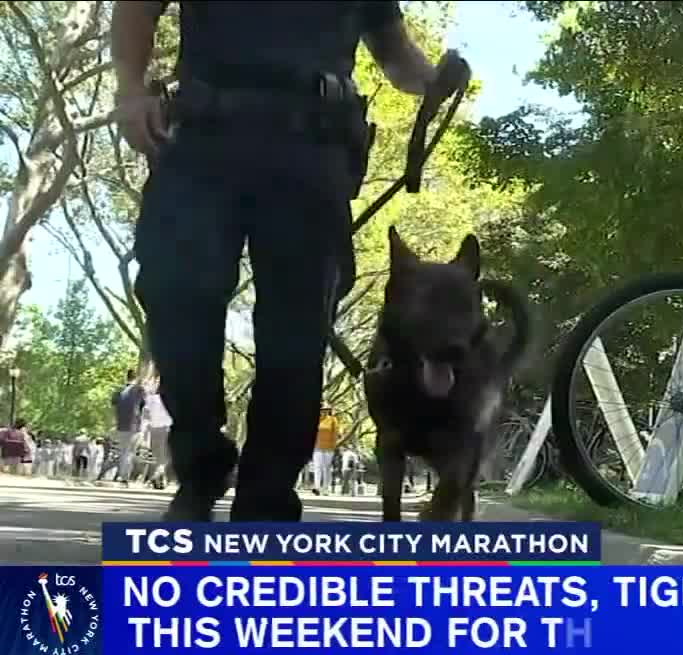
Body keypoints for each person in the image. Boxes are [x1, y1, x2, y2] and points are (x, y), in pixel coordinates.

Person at [112, 1, 466, 521]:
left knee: (296, 332)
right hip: (202, 138)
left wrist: (435, 77)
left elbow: (394, 55)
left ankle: (267, 497)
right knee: (175, 293)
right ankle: (201, 467)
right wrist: (129, 89)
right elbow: (137, 9)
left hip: (312, 150)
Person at [102, 369, 147, 485]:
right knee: (129, 452)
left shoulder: (118, 391)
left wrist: (112, 423)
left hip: (120, 425)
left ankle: (113, 473)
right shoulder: (139, 390)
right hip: (134, 425)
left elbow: (112, 407)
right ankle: (123, 477)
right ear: (136, 378)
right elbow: (144, 408)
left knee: (122, 451)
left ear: (126, 377)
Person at [144, 378, 176, 489]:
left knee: (159, 457)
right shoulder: (171, 398)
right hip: (166, 429)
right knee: (164, 458)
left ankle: (160, 480)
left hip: (154, 429)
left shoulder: (151, 399)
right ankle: (158, 478)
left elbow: (146, 414)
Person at [312, 405, 339, 496]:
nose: (324, 411)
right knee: (317, 467)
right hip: (317, 447)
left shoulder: (333, 420)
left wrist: (333, 445)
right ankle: (317, 487)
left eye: (326, 410)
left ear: (329, 411)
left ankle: (326, 489)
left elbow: (335, 433)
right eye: (323, 410)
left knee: (326, 468)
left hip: (329, 448)